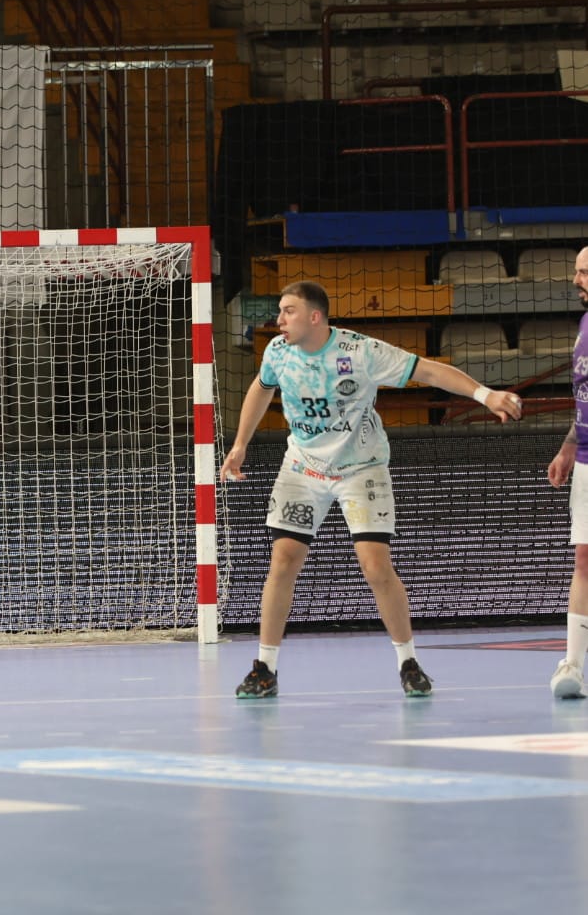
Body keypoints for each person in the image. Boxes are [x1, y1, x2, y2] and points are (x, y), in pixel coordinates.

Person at [220, 280, 522, 698]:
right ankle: (264, 668)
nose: (279, 319)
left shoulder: (360, 352)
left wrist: (484, 394)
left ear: (314, 316)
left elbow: (429, 369)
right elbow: (261, 386)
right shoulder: (278, 352)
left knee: (375, 566)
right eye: (279, 310)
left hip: (361, 468)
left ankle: (409, 662)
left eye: (288, 310)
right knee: (284, 558)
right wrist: (240, 445)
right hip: (303, 467)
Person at [545, 245, 588, 698]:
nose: (577, 280)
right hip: (587, 462)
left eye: (585, 272)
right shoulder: (585, 324)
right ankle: (572, 666)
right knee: (584, 558)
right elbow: (584, 399)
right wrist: (568, 447)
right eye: (577, 271)